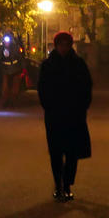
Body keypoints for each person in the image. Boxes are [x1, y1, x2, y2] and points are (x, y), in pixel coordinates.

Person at [37, 30, 92, 200]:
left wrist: (82, 107)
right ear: (56, 45)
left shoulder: (78, 64)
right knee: (55, 151)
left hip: (73, 113)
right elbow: (42, 89)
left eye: (67, 44)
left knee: (71, 151)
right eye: (61, 44)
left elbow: (87, 87)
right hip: (55, 114)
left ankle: (67, 184)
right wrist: (48, 106)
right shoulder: (48, 65)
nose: (64, 47)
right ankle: (58, 184)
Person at [0, 31, 25, 106]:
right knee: (5, 88)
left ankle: (14, 100)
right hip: (5, 69)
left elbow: (21, 59)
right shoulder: (1, 49)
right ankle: (6, 100)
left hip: (16, 69)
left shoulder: (15, 48)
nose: (6, 43)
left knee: (15, 89)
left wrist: (24, 68)